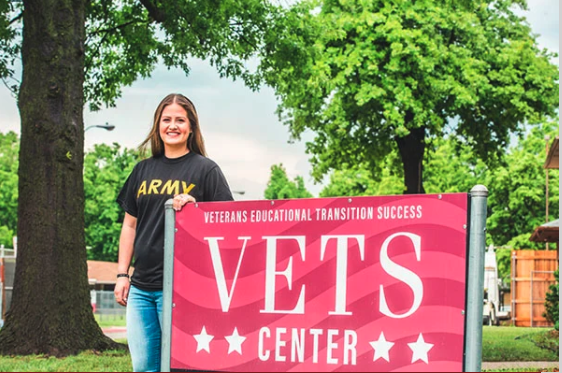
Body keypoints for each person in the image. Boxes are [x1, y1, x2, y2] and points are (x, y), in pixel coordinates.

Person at [114, 93, 234, 372]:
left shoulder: (206, 170)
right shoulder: (142, 170)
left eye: (180, 120)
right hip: (142, 289)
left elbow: (228, 224)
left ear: (191, 127)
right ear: (158, 125)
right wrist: (122, 274)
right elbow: (129, 226)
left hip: (183, 290)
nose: (173, 125)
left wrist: (196, 209)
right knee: (144, 367)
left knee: (177, 367)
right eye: (166, 119)